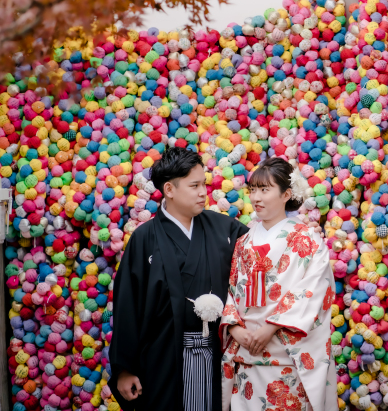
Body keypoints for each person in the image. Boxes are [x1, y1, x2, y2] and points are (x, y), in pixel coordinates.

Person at [108, 147, 322, 411]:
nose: (203, 192)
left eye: (204, 184)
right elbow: (128, 304)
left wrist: (299, 233)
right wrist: (124, 368)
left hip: (216, 352)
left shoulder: (225, 228)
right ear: (169, 190)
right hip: (163, 354)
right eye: (195, 185)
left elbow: (271, 254)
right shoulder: (144, 238)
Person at [220, 157, 336, 411]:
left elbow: (315, 290)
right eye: (252, 190)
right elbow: (231, 290)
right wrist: (235, 329)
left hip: (286, 357)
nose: (256, 198)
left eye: (265, 189)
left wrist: (271, 327)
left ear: (287, 194)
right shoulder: (243, 242)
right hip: (247, 354)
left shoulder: (307, 239)